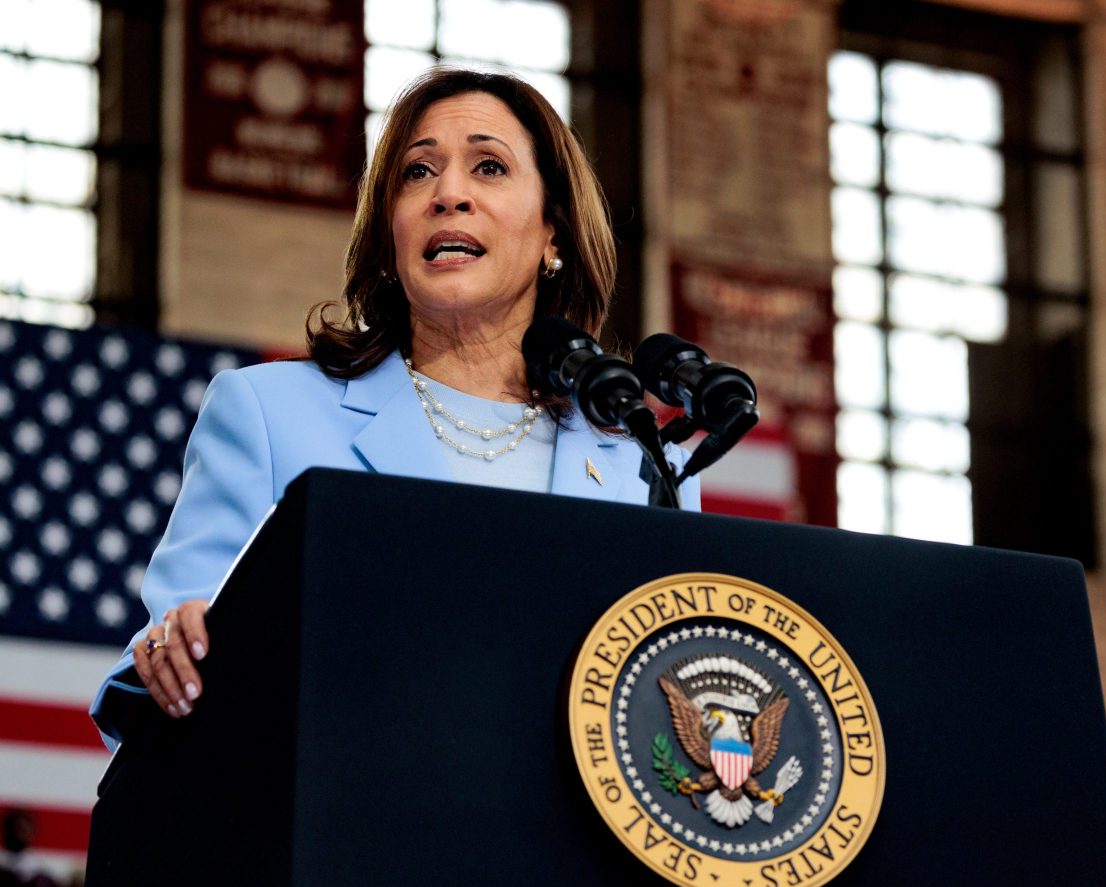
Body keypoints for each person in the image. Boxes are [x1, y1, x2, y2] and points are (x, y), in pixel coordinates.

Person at [89, 68, 699, 748]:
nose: (449, 195)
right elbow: (162, 668)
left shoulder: (644, 462)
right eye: (417, 173)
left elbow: (675, 703)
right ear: (390, 233)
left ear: (553, 231)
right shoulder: (268, 415)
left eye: (489, 166)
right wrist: (174, 652)